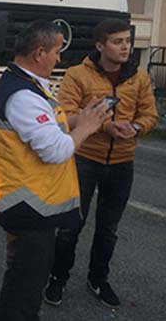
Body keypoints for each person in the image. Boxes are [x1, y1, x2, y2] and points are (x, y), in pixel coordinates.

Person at [0, 20, 111, 321]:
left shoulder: (25, 84)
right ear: (40, 53)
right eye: (56, 51)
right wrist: (86, 127)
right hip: (28, 206)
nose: (59, 58)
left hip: (29, 203)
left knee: (24, 275)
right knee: (26, 283)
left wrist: (79, 118)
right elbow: (56, 150)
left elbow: (47, 127)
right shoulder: (24, 96)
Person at [43, 19, 158, 308]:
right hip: (85, 159)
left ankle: (98, 279)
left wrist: (136, 128)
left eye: (128, 41)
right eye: (118, 42)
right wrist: (106, 126)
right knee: (70, 225)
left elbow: (150, 114)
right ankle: (57, 278)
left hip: (122, 163)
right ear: (100, 46)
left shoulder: (139, 77)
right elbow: (66, 114)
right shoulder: (78, 74)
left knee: (108, 230)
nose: (125, 47)